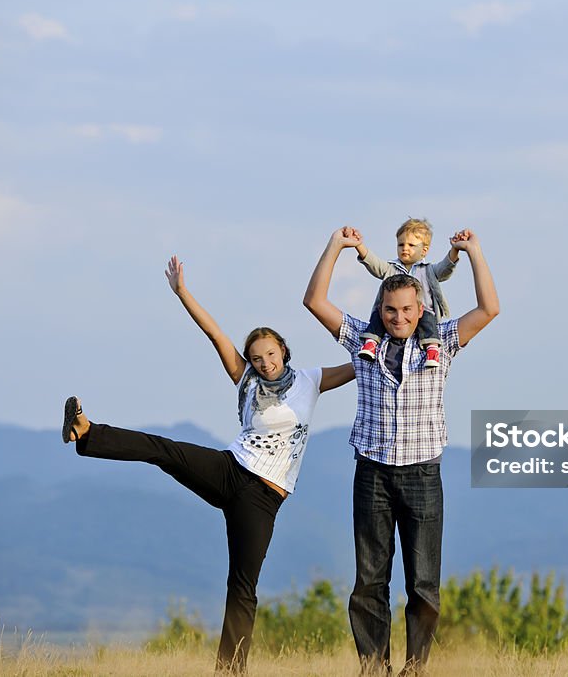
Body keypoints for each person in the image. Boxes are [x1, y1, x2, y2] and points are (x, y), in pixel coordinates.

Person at [61, 254, 355, 673]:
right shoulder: (247, 381)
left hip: (263, 498)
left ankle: (230, 669)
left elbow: (362, 364)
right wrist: (183, 292)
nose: (264, 363)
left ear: (283, 350)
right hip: (230, 469)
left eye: (270, 354)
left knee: (243, 587)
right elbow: (214, 332)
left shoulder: (311, 380)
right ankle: (87, 432)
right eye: (256, 358)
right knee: (163, 450)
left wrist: (387, 341)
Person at [303, 227, 499, 674]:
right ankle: (373, 667)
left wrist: (474, 253)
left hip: (423, 477)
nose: (398, 317)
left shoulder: (441, 345)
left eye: (407, 309)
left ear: (420, 309)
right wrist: (336, 246)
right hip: (371, 474)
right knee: (369, 583)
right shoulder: (361, 342)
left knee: (424, 584)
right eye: (390, 310)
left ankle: (415, 667)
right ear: (381, 310)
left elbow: (490, 309)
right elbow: (314, 301)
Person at [352, 218, 460, 368]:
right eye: (401, 244)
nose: (405, 248)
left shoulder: (428, 270)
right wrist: (359, 246)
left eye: (411, 245)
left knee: (429, 322)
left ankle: (432, 349)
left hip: (423, 312)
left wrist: (455, 250)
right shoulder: (391, 268)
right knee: (378, 316)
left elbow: (446, 268)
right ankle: (371, 343)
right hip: (395, 314)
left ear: (424, 250)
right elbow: (373, 263)